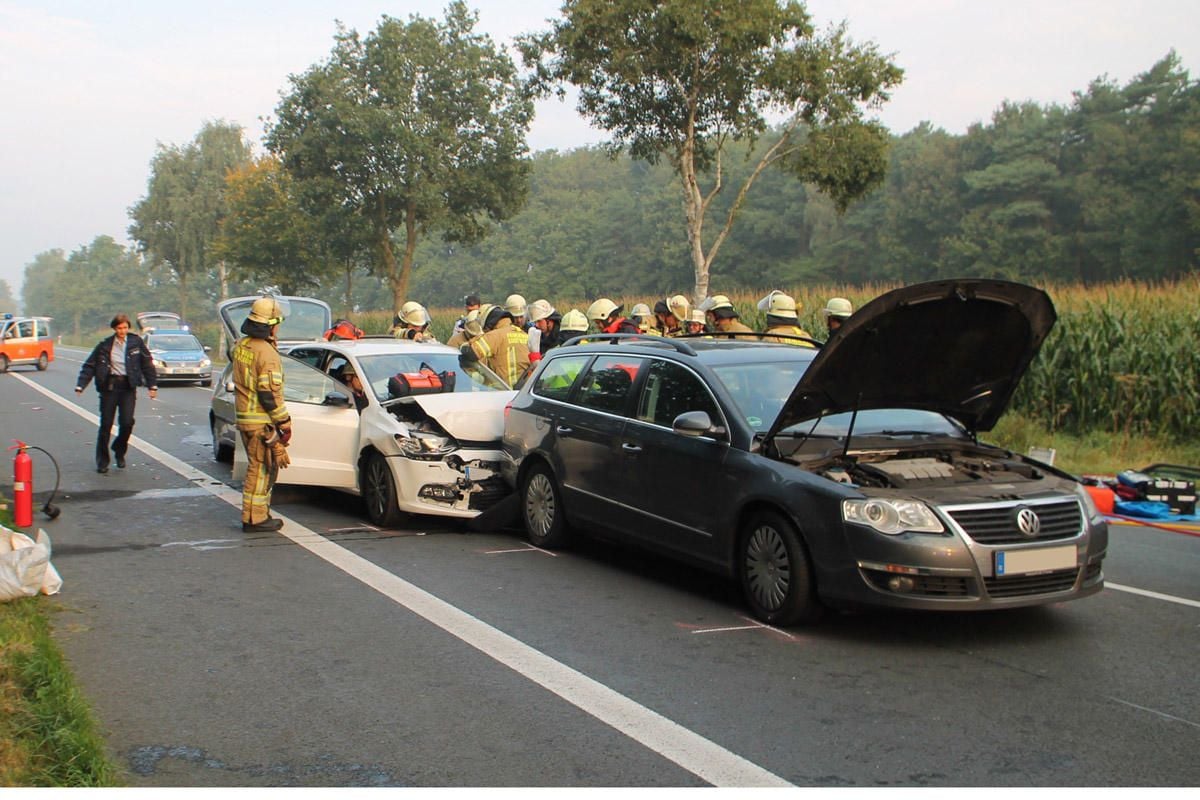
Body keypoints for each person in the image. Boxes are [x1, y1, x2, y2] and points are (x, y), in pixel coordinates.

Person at [231, 296, 293, 533]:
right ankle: (254, 519)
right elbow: (268, 393)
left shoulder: (241, 346)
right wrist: (284, 421)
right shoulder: (267, 353)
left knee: (258, 467)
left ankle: (257, 514)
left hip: (245, 418)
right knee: (260, 470)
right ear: (271, 324)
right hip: (260, 420)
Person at [75, 313, 158, 473]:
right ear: (114, 328)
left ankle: (119, 450)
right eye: (119, 328)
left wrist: (152, 386)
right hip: (109, 388)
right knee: (106, 425)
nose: (122, 331)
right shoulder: (105, 346)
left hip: (128, 387)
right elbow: (90, 366)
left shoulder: (136, 343)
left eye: (125, 327)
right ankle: (102, 461)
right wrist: (81, 385)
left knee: (127, 422)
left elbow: (147, 364)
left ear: (128, 328)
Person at [460, 304, 531, 388]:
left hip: (503, 393)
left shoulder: (495, 335)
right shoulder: (524, 334)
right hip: (524, 392)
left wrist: (474, 340)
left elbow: (470, 353)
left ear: (488, 323)